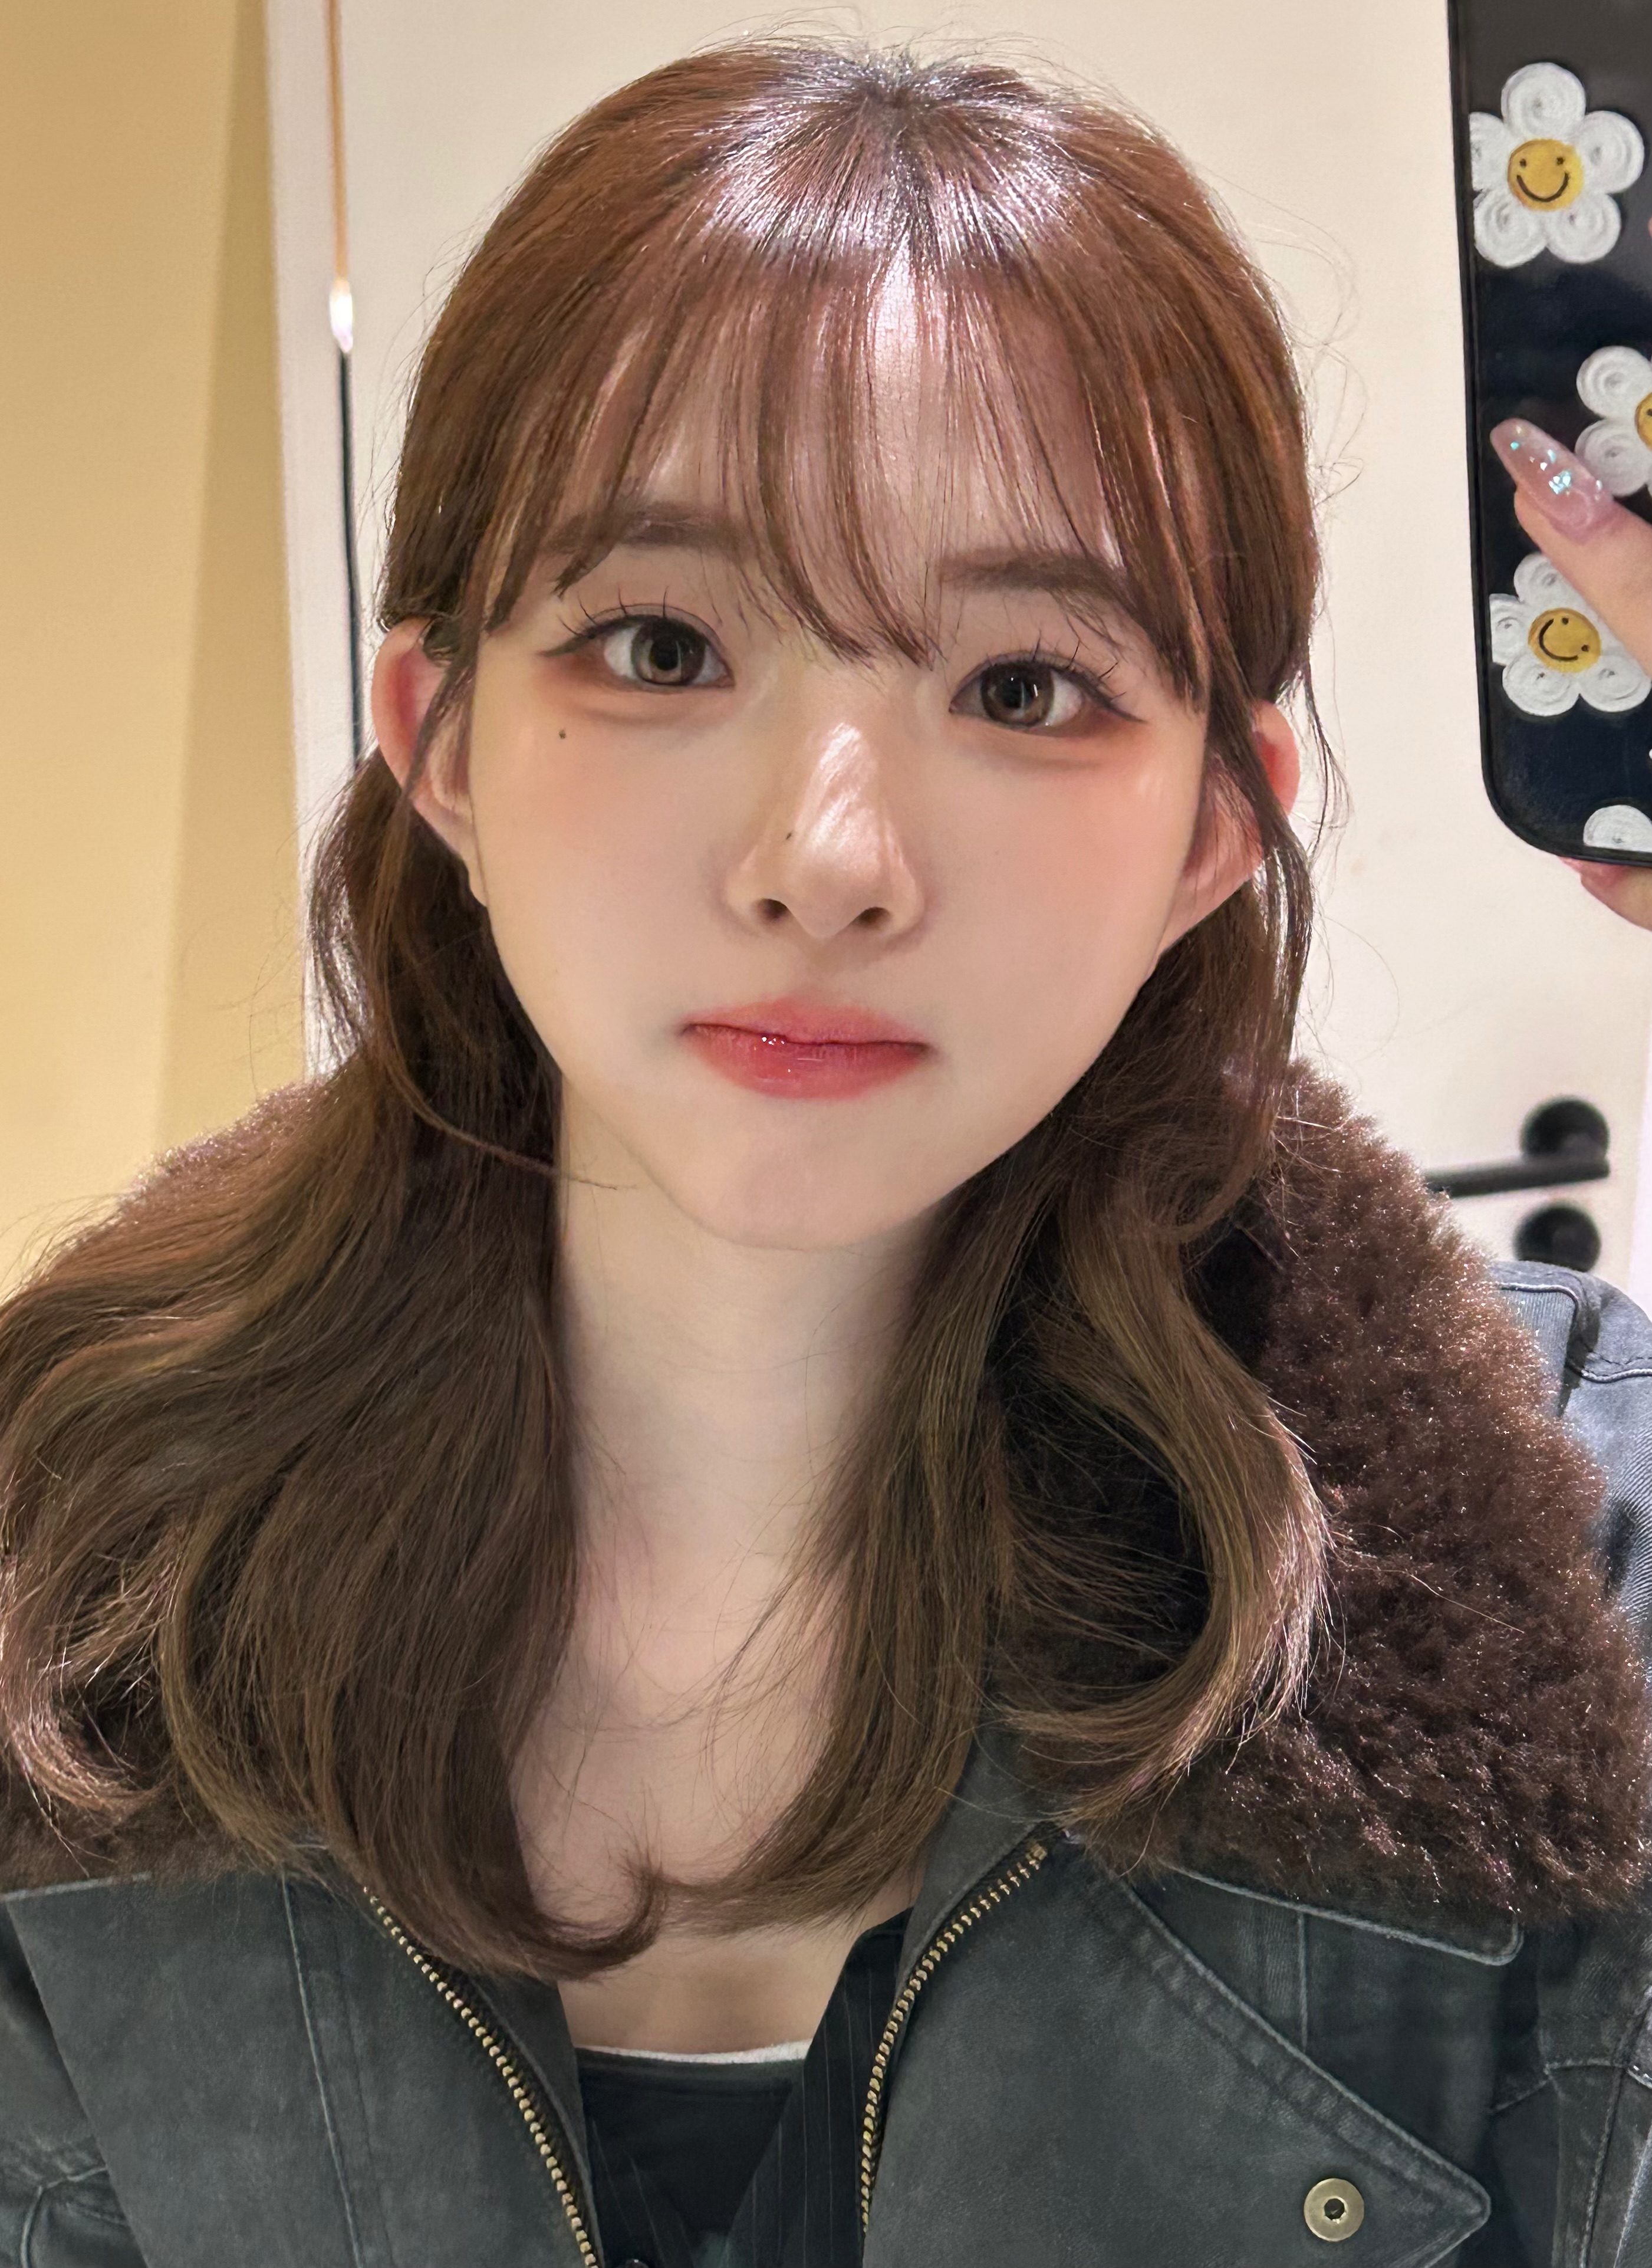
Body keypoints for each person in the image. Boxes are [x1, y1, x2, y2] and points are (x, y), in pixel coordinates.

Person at [2, 41, 1651, 2268]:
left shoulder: (1567, 1550)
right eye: (661, 645)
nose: (828, 860)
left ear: (1211, 826)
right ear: (440, 738)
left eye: (1024, 687)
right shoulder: (69, 1577)